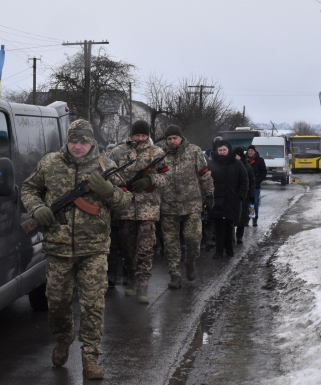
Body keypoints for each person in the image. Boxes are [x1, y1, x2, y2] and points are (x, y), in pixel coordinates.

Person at [21, 119, 132, 380]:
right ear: (67, 141)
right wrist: (37, 208)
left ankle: (90, 356)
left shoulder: (107, 166)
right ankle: (64, 337)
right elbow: (28, 188)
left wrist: (108, 191)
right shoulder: (50, 164)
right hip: (58, 249)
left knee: (93, 305)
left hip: (94, 249)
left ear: (91, 142)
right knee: (57, 303)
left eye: (83, 141)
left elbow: (126, 201)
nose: (78, 146)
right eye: (74, 141)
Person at [108, 119, 169, 304]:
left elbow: (167, 176)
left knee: (145, 248)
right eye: (137, 135)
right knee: (128, 249)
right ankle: (132, 280)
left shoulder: (156, 152)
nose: (140, 138)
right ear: (132, 134)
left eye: (144, 135)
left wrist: (150, 181)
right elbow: (110, 174)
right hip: (125, 208)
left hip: (148, 209)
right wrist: (121, 187)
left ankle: (143, 286)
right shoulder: (119, 151)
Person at [159, 125, 214, 289]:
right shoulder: (160, 154)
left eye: (175, 138)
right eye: (169, 139)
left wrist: (209, 193)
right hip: (168, 204)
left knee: (193, 238)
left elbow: (204, 173)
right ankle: (174, 275)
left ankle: (190, 261)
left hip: (191, 203)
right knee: (170, 243)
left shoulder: (194, 151)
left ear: (181, 138)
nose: (172, 141)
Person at [207, 140, 248, 258]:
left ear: (229, 150)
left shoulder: (237, 164)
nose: (222, 152)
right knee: (218, 226)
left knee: (229, 225)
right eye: (220, 150)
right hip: (216, 200)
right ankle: (219, 251)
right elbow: (205, 180)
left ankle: (229, 249)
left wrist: (241, 195)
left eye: (224, 150)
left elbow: (244, 180)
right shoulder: (211, 164)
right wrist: (208, 196)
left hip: (232, 199)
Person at [233, 146, 256, 243]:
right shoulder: (231, 164)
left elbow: (252, 182)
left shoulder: (247, 166)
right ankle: (231, 237)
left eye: (237, 155)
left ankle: (239, 236)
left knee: (242, 217)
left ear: (241, 156)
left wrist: (251, 195)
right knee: (231, 217)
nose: (235, 157)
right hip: (232, 195)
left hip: (244, 196)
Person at [246, 146, 267, 227]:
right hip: (246, 185)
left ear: (254, 151)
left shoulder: (260, 160)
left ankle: (255, 219)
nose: (250, 152)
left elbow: (264, 172)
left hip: (255, 185)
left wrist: (258, 180)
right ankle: (246, 219)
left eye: (251, 150)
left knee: (254, 202)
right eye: (249, 151)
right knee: (246, 203)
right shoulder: (244, 160)